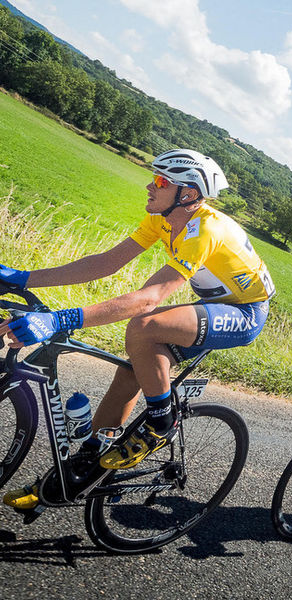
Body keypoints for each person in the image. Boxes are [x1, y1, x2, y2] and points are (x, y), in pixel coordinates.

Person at [1, 149, 273, 511]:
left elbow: (150, 298)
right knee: (131, 372)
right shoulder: (162, 218)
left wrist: (57, 320)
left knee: (143, 326)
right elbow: (107, 263)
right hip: (215, 305)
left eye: (160, 181)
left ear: (188, 194)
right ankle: (90, 466)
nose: (149, 185)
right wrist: (22, 277)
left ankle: (162, 421)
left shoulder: (205, 229)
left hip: (246, 313)